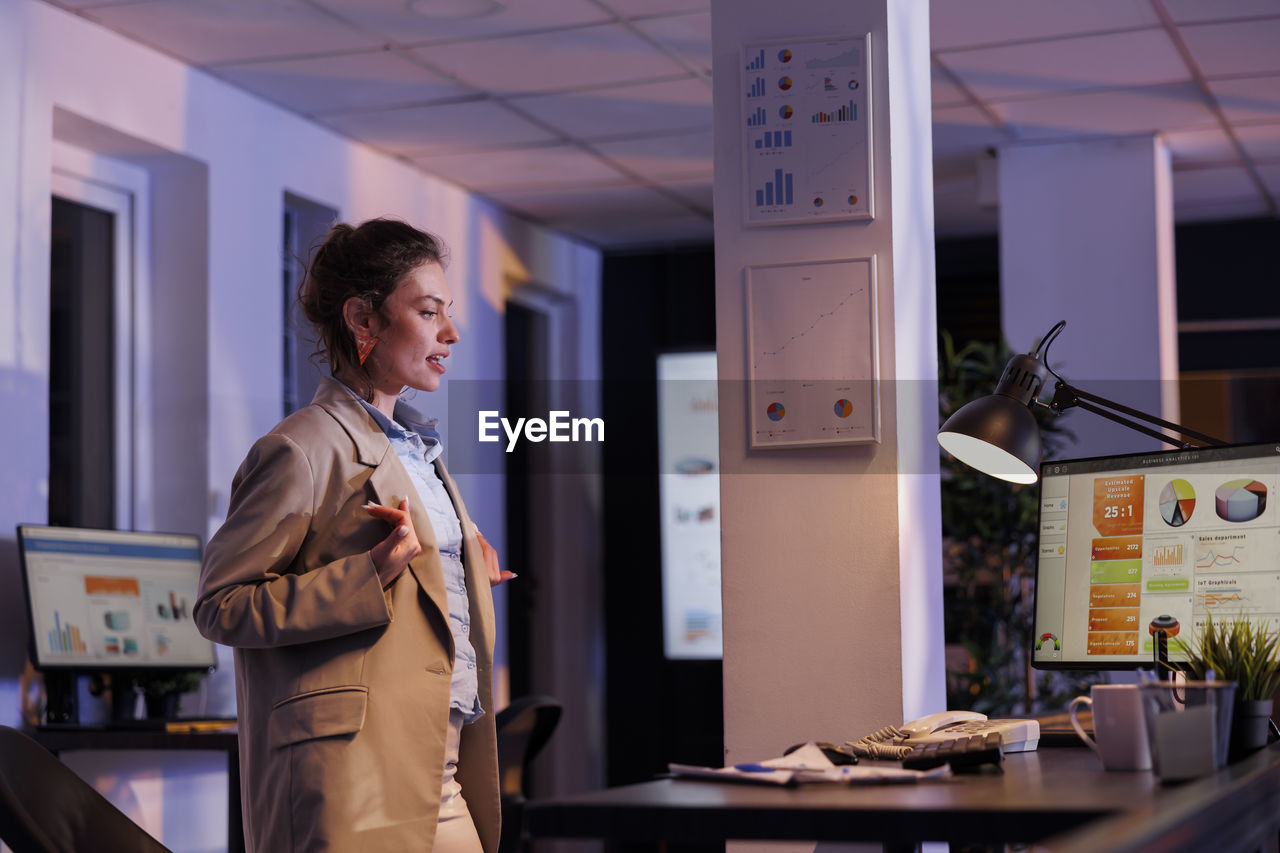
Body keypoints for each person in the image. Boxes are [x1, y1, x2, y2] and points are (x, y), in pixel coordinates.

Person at [195, 218, 511, 853]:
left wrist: (464, 568)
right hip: (351, 772)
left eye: (447, 313)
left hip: (437, 758)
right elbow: (219, 606)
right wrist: (368, 575)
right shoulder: (300, 447)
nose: (450, 333)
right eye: (428, 312)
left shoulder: (420, 452)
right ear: (364, 319)